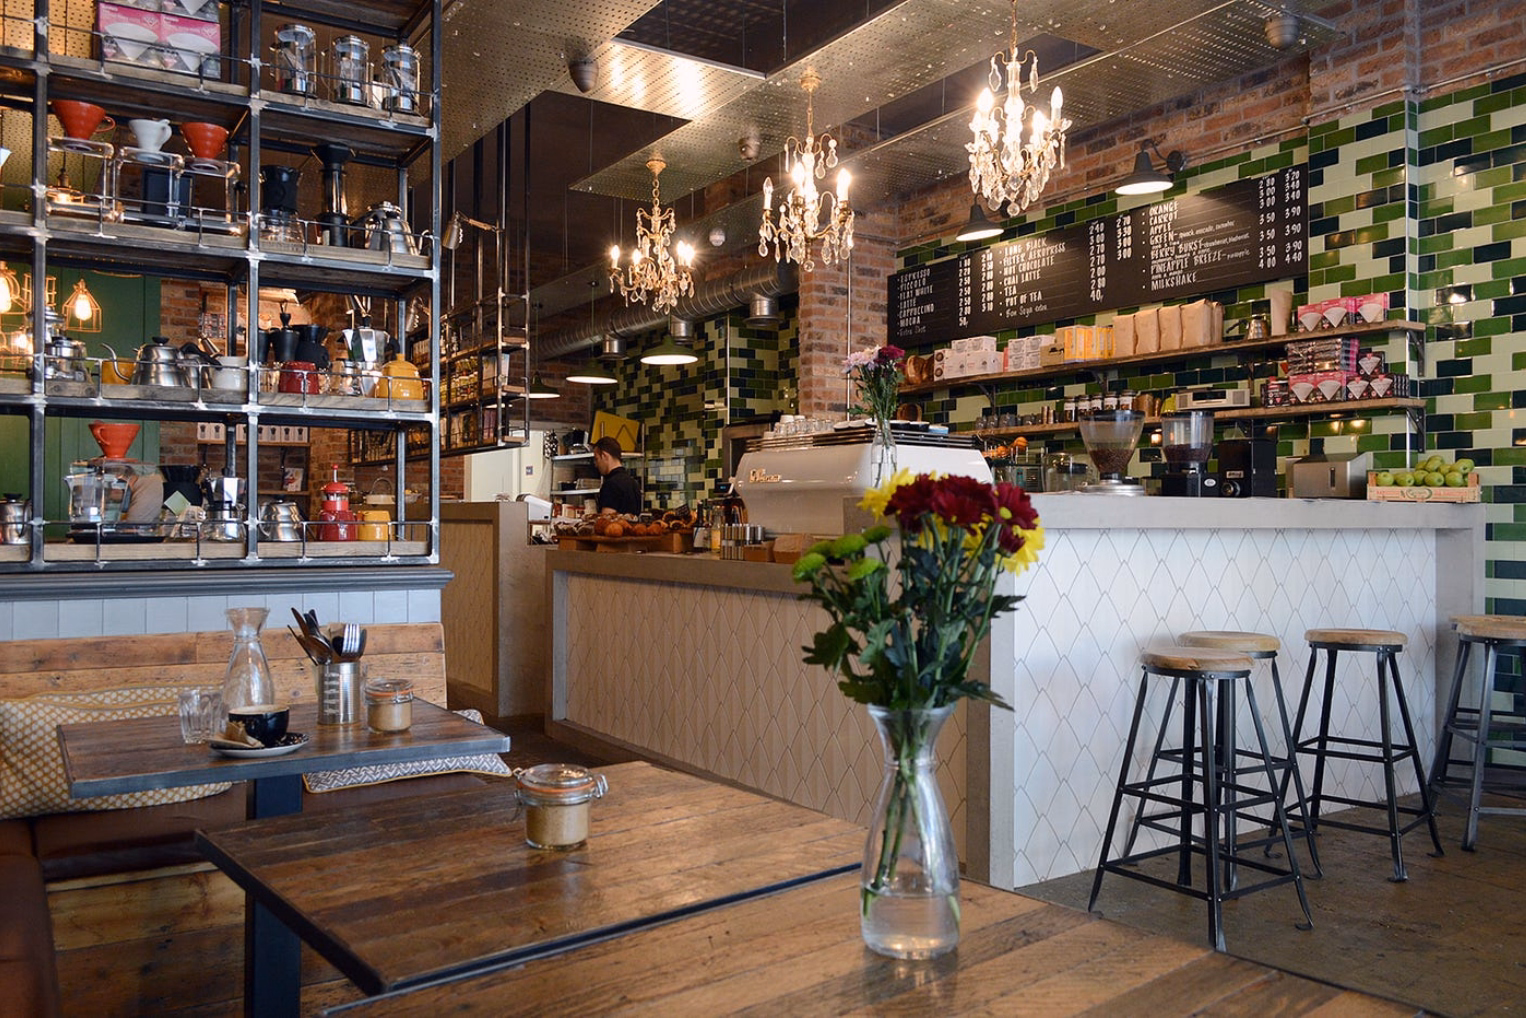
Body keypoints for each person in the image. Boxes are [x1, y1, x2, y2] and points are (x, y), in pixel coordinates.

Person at [592, 436, 641, 516]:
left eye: (596, 459)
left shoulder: (610, 485)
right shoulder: (633, 483)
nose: (596, 464)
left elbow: (607, 519)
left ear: (604, 456)